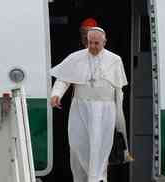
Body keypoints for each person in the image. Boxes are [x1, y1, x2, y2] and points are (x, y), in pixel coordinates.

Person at [50, 27, 129, 182]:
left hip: (105, 111)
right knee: (78, 145)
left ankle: (98, 179)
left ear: (104, 42)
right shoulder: (76, 58)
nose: (92, 46)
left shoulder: (115, 60)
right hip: (81, 109)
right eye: (90, 42)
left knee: (100, 149)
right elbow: (63, 79)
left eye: (96, 43)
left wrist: (119, 116)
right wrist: (56, 94)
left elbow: (119, 90)